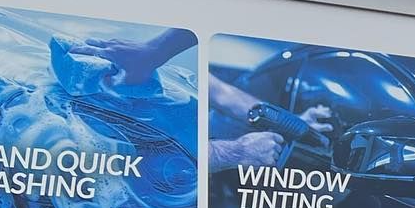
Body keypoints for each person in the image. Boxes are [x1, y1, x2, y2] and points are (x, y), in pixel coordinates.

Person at [72, 28, 333, 173]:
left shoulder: (157, 69)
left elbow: (223, 94)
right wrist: (237, 151)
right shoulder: (81, 128)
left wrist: (292, 124)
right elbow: (150, 158)